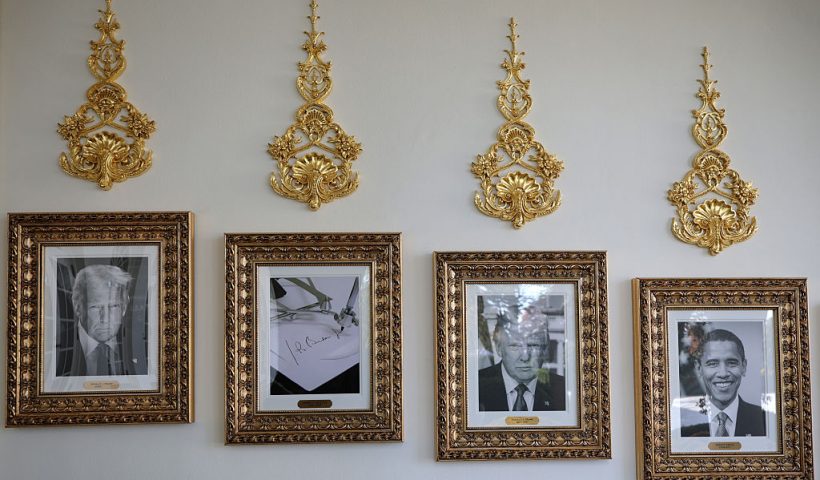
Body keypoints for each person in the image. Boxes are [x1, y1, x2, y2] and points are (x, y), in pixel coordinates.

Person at [680, 328, 766, 437]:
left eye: (731, 363)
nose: (723, 373)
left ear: (743, 367)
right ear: (699, 368)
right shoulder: (682, 426)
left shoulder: (765, 421)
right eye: (712, 363)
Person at [478, 305, 565, 411]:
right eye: (515, 346)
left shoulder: (564, 390)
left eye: (534, 345)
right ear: (499, 348)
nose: (525, 357)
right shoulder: (474, 387)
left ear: (545, 348)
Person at [58, 264, 140, 377]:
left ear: (124, 308)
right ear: (77, 307)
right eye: (95, 307)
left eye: (114, 306)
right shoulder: (58, 348)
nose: (105, 319)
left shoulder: (142, 346)